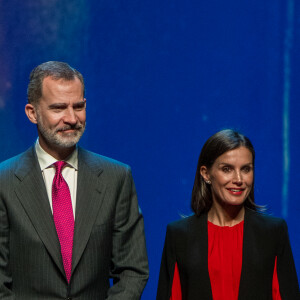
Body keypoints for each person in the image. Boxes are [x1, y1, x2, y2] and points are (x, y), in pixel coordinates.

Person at [0, 61, 149, 299]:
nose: (71, 118)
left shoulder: (116, 178)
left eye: (78, 106)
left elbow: (133, 270)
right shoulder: (4, 182)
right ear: (32, 113)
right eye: (58, 108)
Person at [156, 129, 299, 300]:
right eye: (227, 169)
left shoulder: (273, 232)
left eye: (246, 169)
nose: (238, 179)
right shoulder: (179, 235)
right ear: (206, 173)